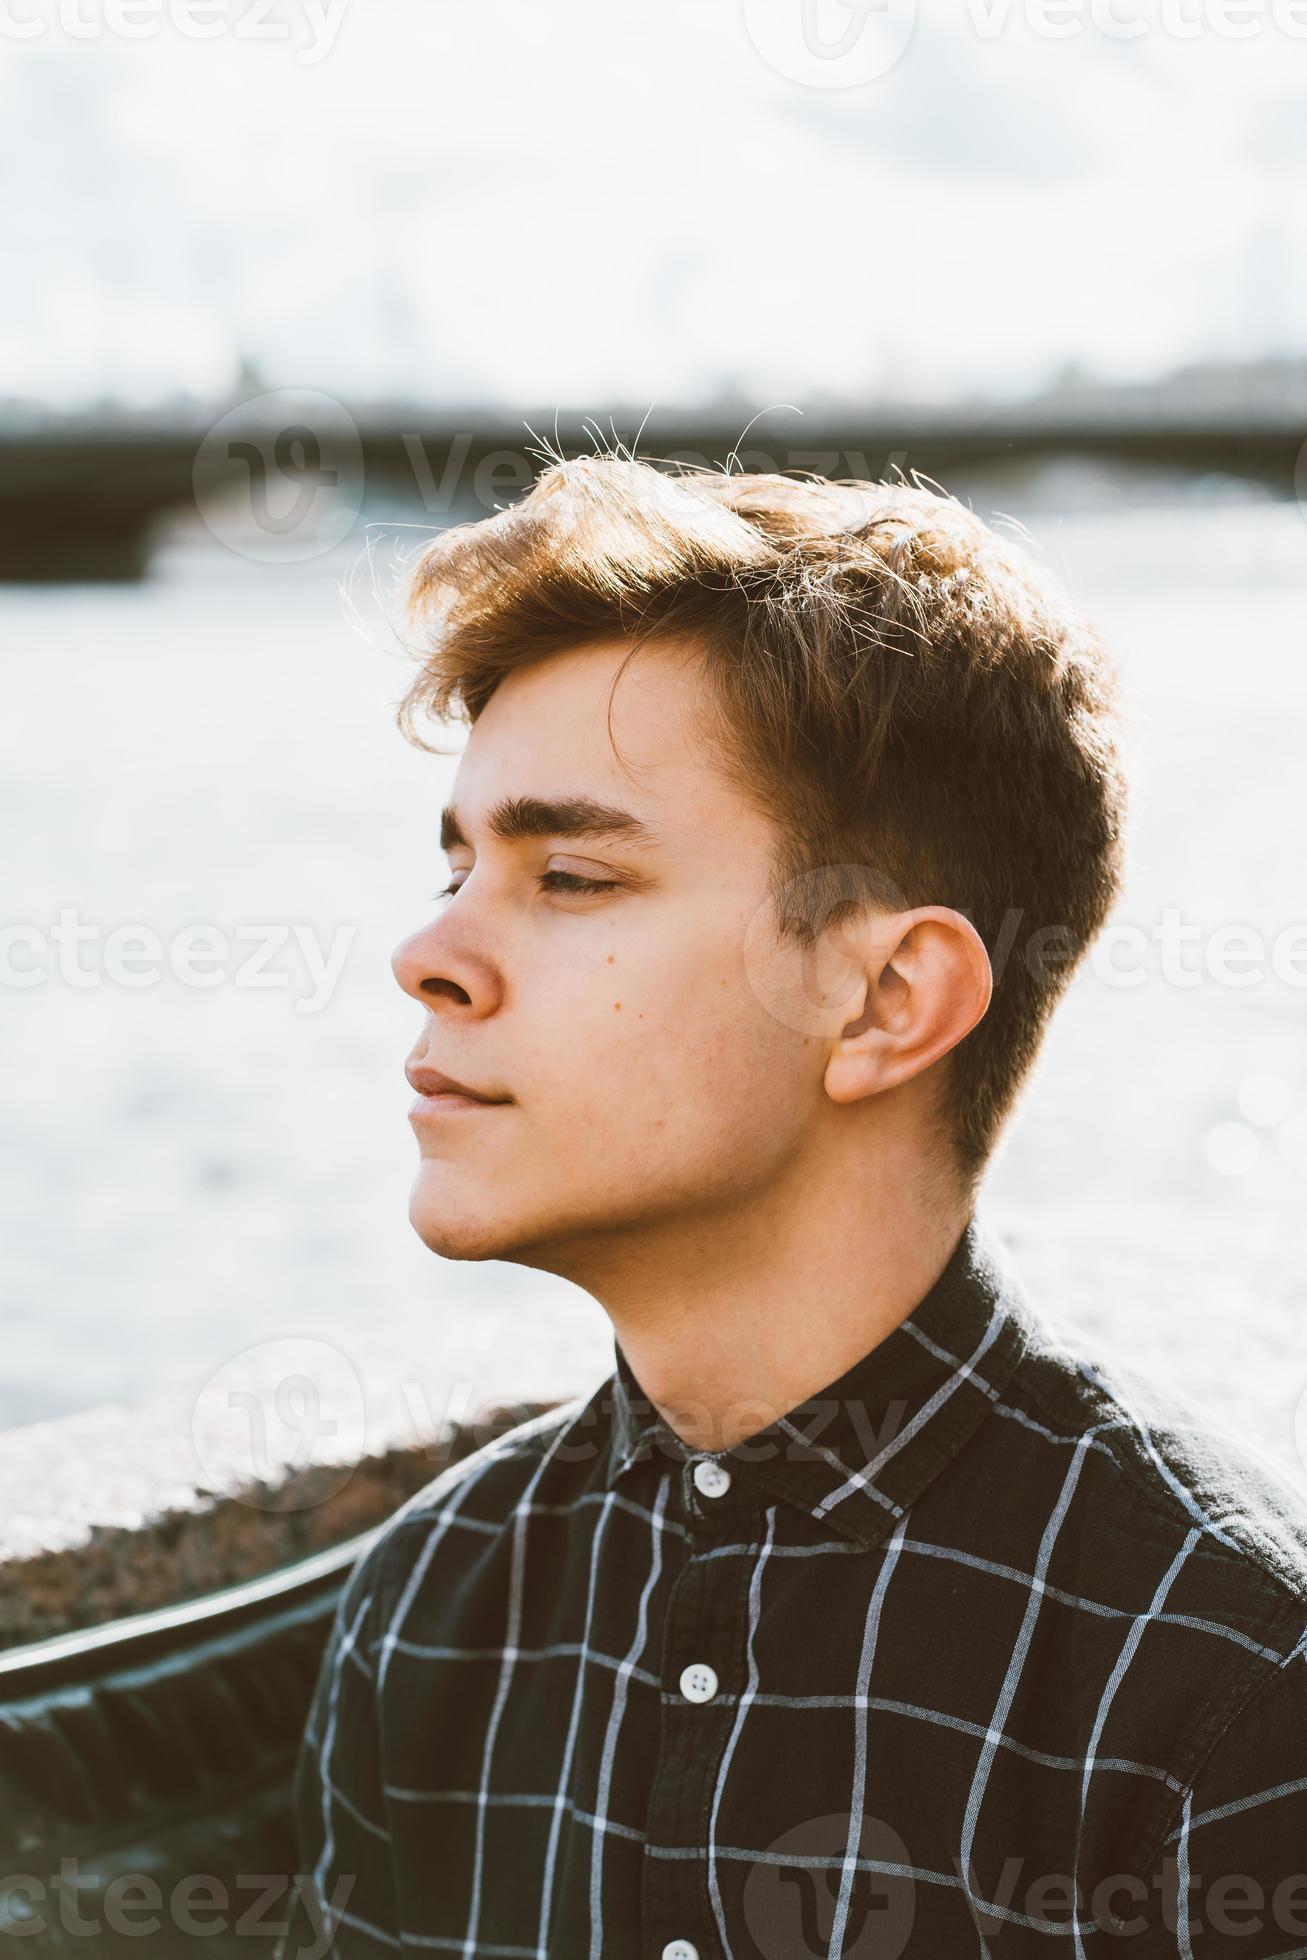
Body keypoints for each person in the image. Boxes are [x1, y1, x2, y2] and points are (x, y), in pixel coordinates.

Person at [275, 458, 1307, 1958]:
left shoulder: (1224, 1679)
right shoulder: (433, 1605)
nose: (428, 955)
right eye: (455, 867)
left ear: (888, 999)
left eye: (567, 875)